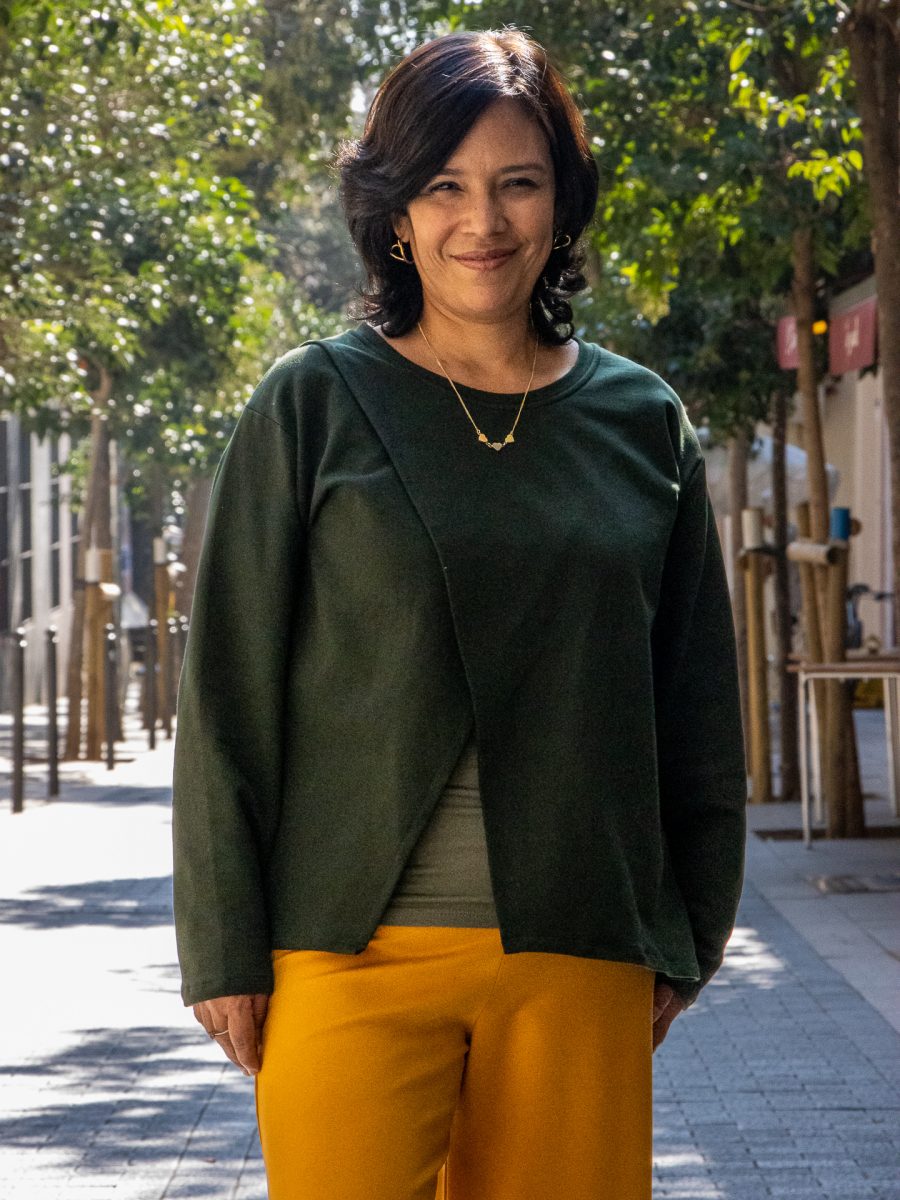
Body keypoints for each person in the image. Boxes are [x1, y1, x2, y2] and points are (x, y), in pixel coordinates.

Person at [172, 27, 747, 1200]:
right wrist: (223, 943)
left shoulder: (644, 422)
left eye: (517, 183)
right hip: (344, 956)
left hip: (580, 950)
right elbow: (226, 692)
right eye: (444, 186)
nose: (482, 221)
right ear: (396, 212)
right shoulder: (311, 405)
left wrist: (690, 934)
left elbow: (694, 701)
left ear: (561, 204)